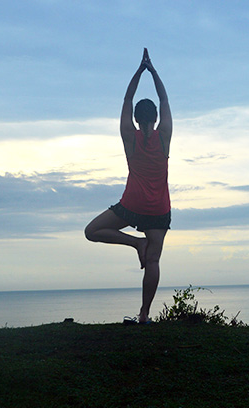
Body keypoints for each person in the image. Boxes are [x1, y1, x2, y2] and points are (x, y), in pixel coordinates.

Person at [85, 48, 172, 324]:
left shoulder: (129, 136)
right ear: (156, 119)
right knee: (154, 261)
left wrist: (139, 70)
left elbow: (127, 98)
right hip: (159, 208)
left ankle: (136, 243)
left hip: (132, 205)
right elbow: (164, 98)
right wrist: (153, 71)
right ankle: (144, 315)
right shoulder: (164, 136)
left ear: (136, 119)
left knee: (92, 231)